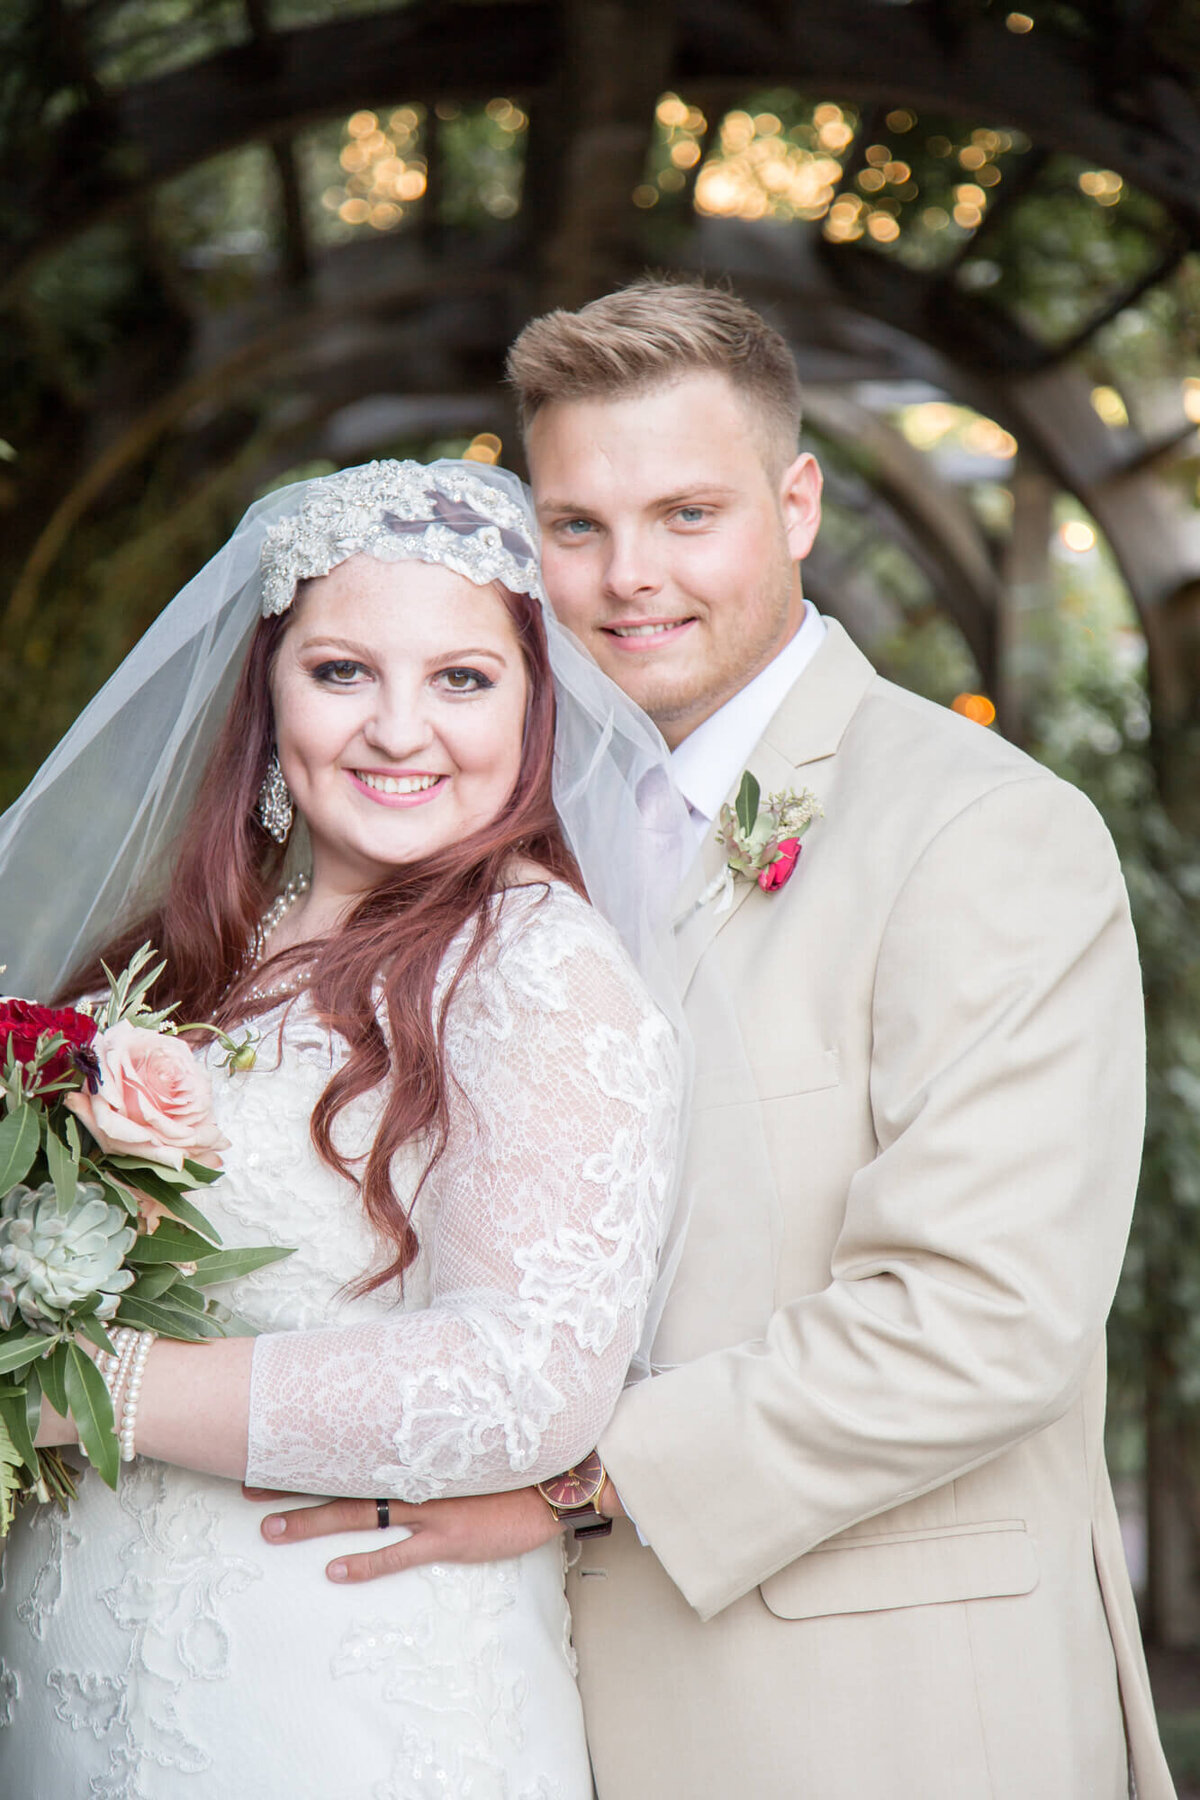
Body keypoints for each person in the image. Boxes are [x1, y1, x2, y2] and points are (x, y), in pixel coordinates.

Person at [263, 284, 1177, 1799]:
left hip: (882, 1712)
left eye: (689, 513)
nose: (633, 580)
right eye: (577, 527)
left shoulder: (988, 831)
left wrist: (571, 1479)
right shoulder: (497, 826)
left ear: (797, 503)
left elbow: (985, 1317)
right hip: (533, 1701)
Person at [0, 457, 688, 1797]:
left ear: (537, 708)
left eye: (462, 680)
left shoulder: (534, 967)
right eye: (341, 672)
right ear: (267, 691)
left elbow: (526, 1381)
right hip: (75, 1679)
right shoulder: (196, 952)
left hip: (342, 1696)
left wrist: (90, 1389)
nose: (397, 730)